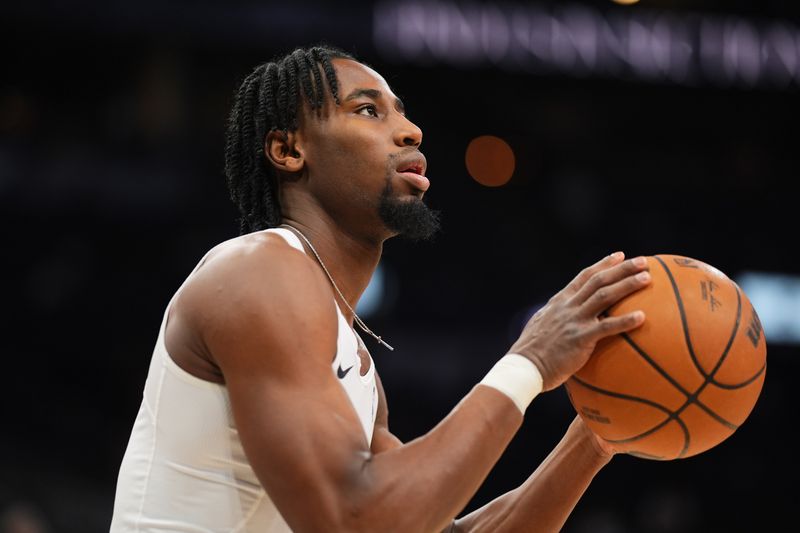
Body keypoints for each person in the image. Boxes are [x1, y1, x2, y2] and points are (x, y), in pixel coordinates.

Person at [110, 45, 652, 532]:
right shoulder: (258, 270)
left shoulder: (354, 362)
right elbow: (352, 518)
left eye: (403, 111)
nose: (411, 130)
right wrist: (530, 361)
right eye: (369, 110)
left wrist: (596, 436)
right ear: (289, 150)